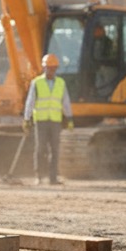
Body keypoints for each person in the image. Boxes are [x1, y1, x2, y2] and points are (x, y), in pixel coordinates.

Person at [22, 53, 74, 185]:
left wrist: (69, 118)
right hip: (41, 121)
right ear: (44, 68)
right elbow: (30, 102)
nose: (51, 70)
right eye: (49, 68)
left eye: (53, 68)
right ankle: (39, 176)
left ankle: (53, 178)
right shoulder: (37, 83)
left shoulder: (61, 83)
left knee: (55, 149)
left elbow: (66, 102)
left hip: (55, 121)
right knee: (40, 149)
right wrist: (27, 119)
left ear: (56, 68)